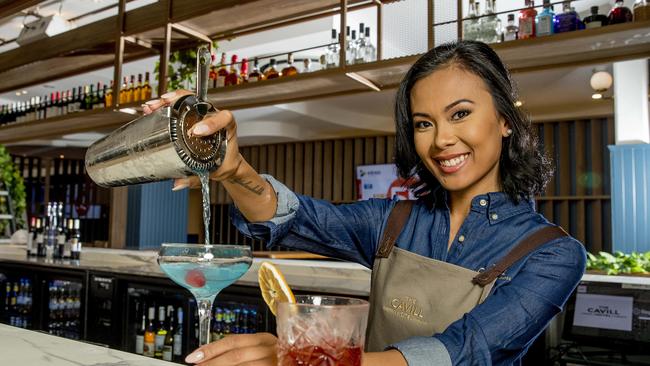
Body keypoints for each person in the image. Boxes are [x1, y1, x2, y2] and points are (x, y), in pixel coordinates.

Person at [143, 40, 587, 366]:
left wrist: (307, 359)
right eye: (423, 123)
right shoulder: (392, 221)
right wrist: (233, 169)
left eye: (461, 114)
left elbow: (468, 350)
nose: (442, 139)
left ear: (505, 120)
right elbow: (294, 218)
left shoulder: (552, 253)